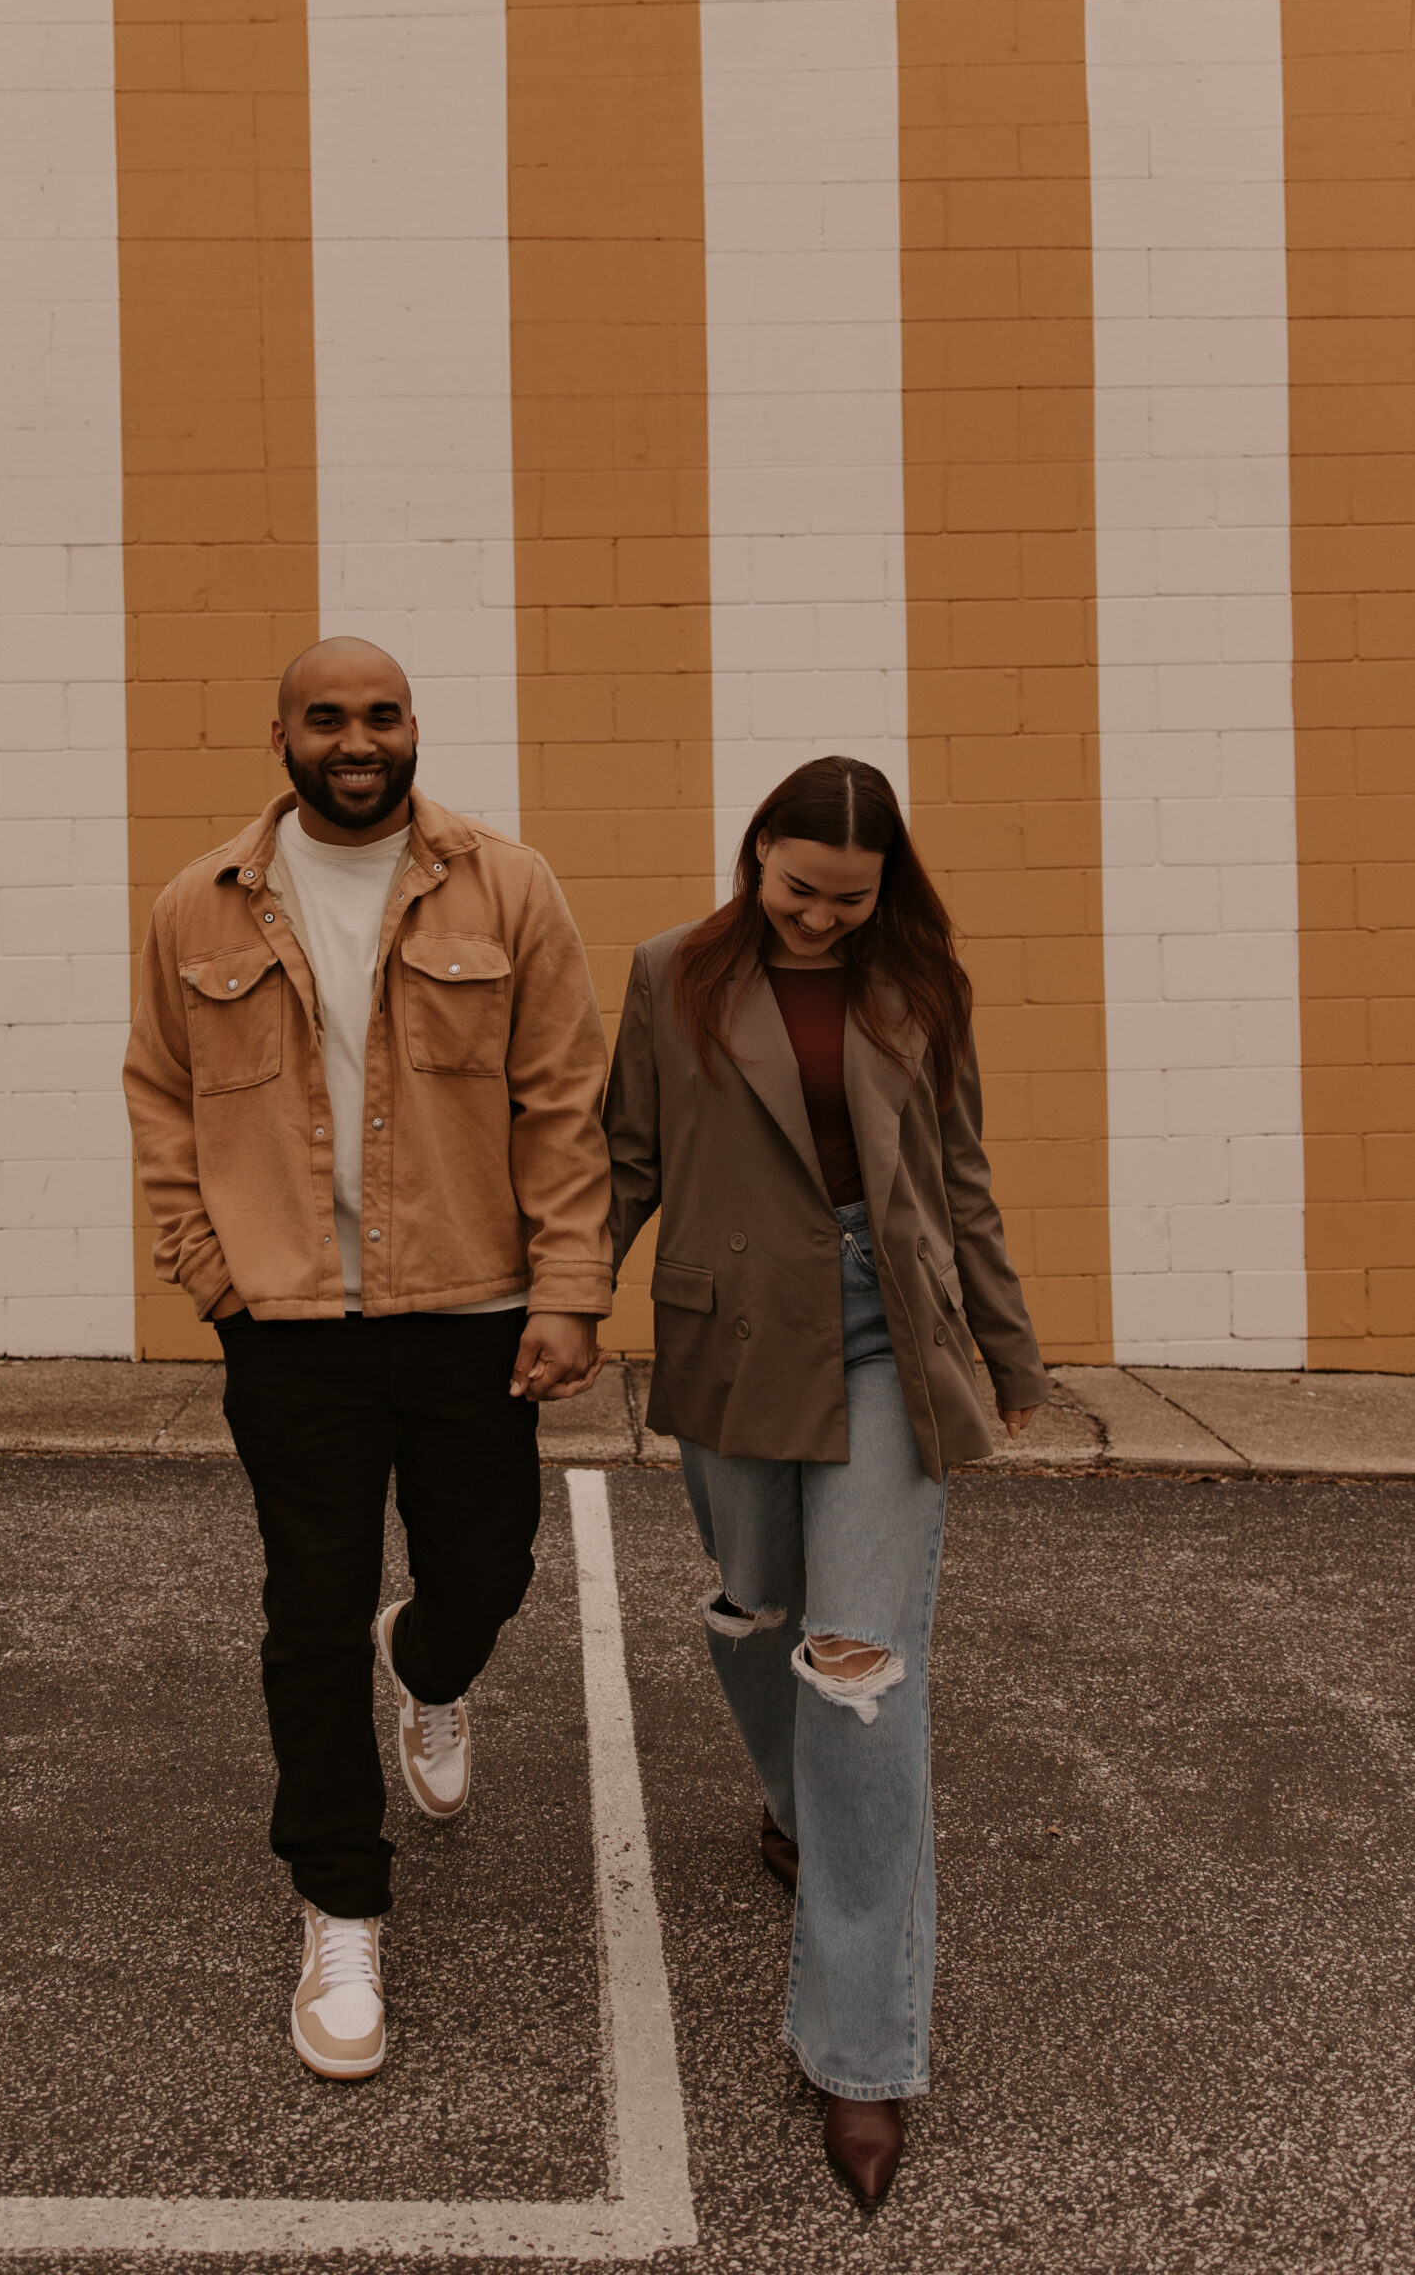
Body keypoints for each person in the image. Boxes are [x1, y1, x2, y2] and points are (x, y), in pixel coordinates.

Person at [124, 637, 611, 2081]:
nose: (356, 739)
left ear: (413, 727)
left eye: (381, 715)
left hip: (471, 1307)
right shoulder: (198, 906)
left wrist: (570, 1288)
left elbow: (562, 1097)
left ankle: (432, 1659)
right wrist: (212, 1275)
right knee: (312, 1614)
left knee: (488, 1571)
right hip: (290, 1327)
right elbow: (160, 1097)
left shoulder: (507, 886)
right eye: (326, 717)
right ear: (280, 735)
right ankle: (341, 1904)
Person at [602, 754, 1047, 2203]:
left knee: (860, 1677)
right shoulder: (670, 972)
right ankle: (793, 1812)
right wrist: (559, 1303)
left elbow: (958, 1176)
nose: (819, 919)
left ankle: (863, 2056)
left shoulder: (921, 984)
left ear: (884, 890)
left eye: (849, 901)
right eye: (800, 890)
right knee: (758, 1612)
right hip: (731, 1331)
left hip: (884, 1331)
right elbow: (624, 1160)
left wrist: (1007, 1348)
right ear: (755, 857)